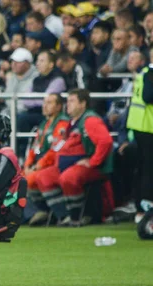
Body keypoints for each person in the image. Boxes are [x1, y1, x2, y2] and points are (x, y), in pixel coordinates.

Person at [33, 89, 113, 226]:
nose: (67, 104)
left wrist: (93, 162)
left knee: (68, 178)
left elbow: (106, 141)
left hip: (90, 168)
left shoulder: (90, 120)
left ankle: (76, 216)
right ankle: (63, 215)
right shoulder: (72, 122)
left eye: (72, 101)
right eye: (67, 100)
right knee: (42, 177)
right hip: (67, 166)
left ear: (83, 104)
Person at [24, 93, 70, 225]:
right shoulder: (44, 124)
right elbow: (34, 148)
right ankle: (35, 213)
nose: (45, 106)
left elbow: (55, 149)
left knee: (32, 179)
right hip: (38, 164)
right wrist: (27, 165)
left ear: (59, 106)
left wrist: (37, 166)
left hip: (51, 164)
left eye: (49, 103)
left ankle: (45, 211)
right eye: (44, 102)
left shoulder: (62, 124)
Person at [126, 60, 153, 224]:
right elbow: (148, 97)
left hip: (139, 125)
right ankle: (145, 207)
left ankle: (140, 207)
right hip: (147, 127)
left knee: (143, 168)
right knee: (148, 169)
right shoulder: (150, 74)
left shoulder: (144, 72)